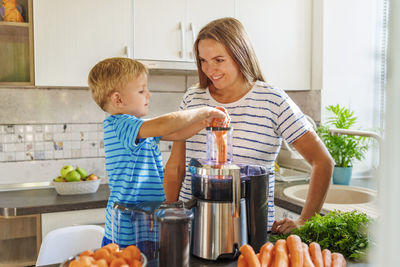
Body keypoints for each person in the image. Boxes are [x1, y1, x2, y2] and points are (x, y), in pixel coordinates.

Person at [164, 17, 334, 234]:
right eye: (203, 60)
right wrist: (168, 215)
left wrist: (304, 220)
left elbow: (323, 161)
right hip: (192, 229)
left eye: (218, 59)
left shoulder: (272, 100)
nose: (209, 69)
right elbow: (176, 166)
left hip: (250, 231)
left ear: (240, 54)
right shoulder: (193, 98)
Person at [88, 57, 228, 248]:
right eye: (141, 90)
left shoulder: (140, 129)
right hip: (127, 230)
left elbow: (177, 133)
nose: (149, 94)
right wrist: (204, 111)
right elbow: (164, 124)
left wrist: (204, 123)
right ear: (118, 99)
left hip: (145, 222)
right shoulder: (119, 125)